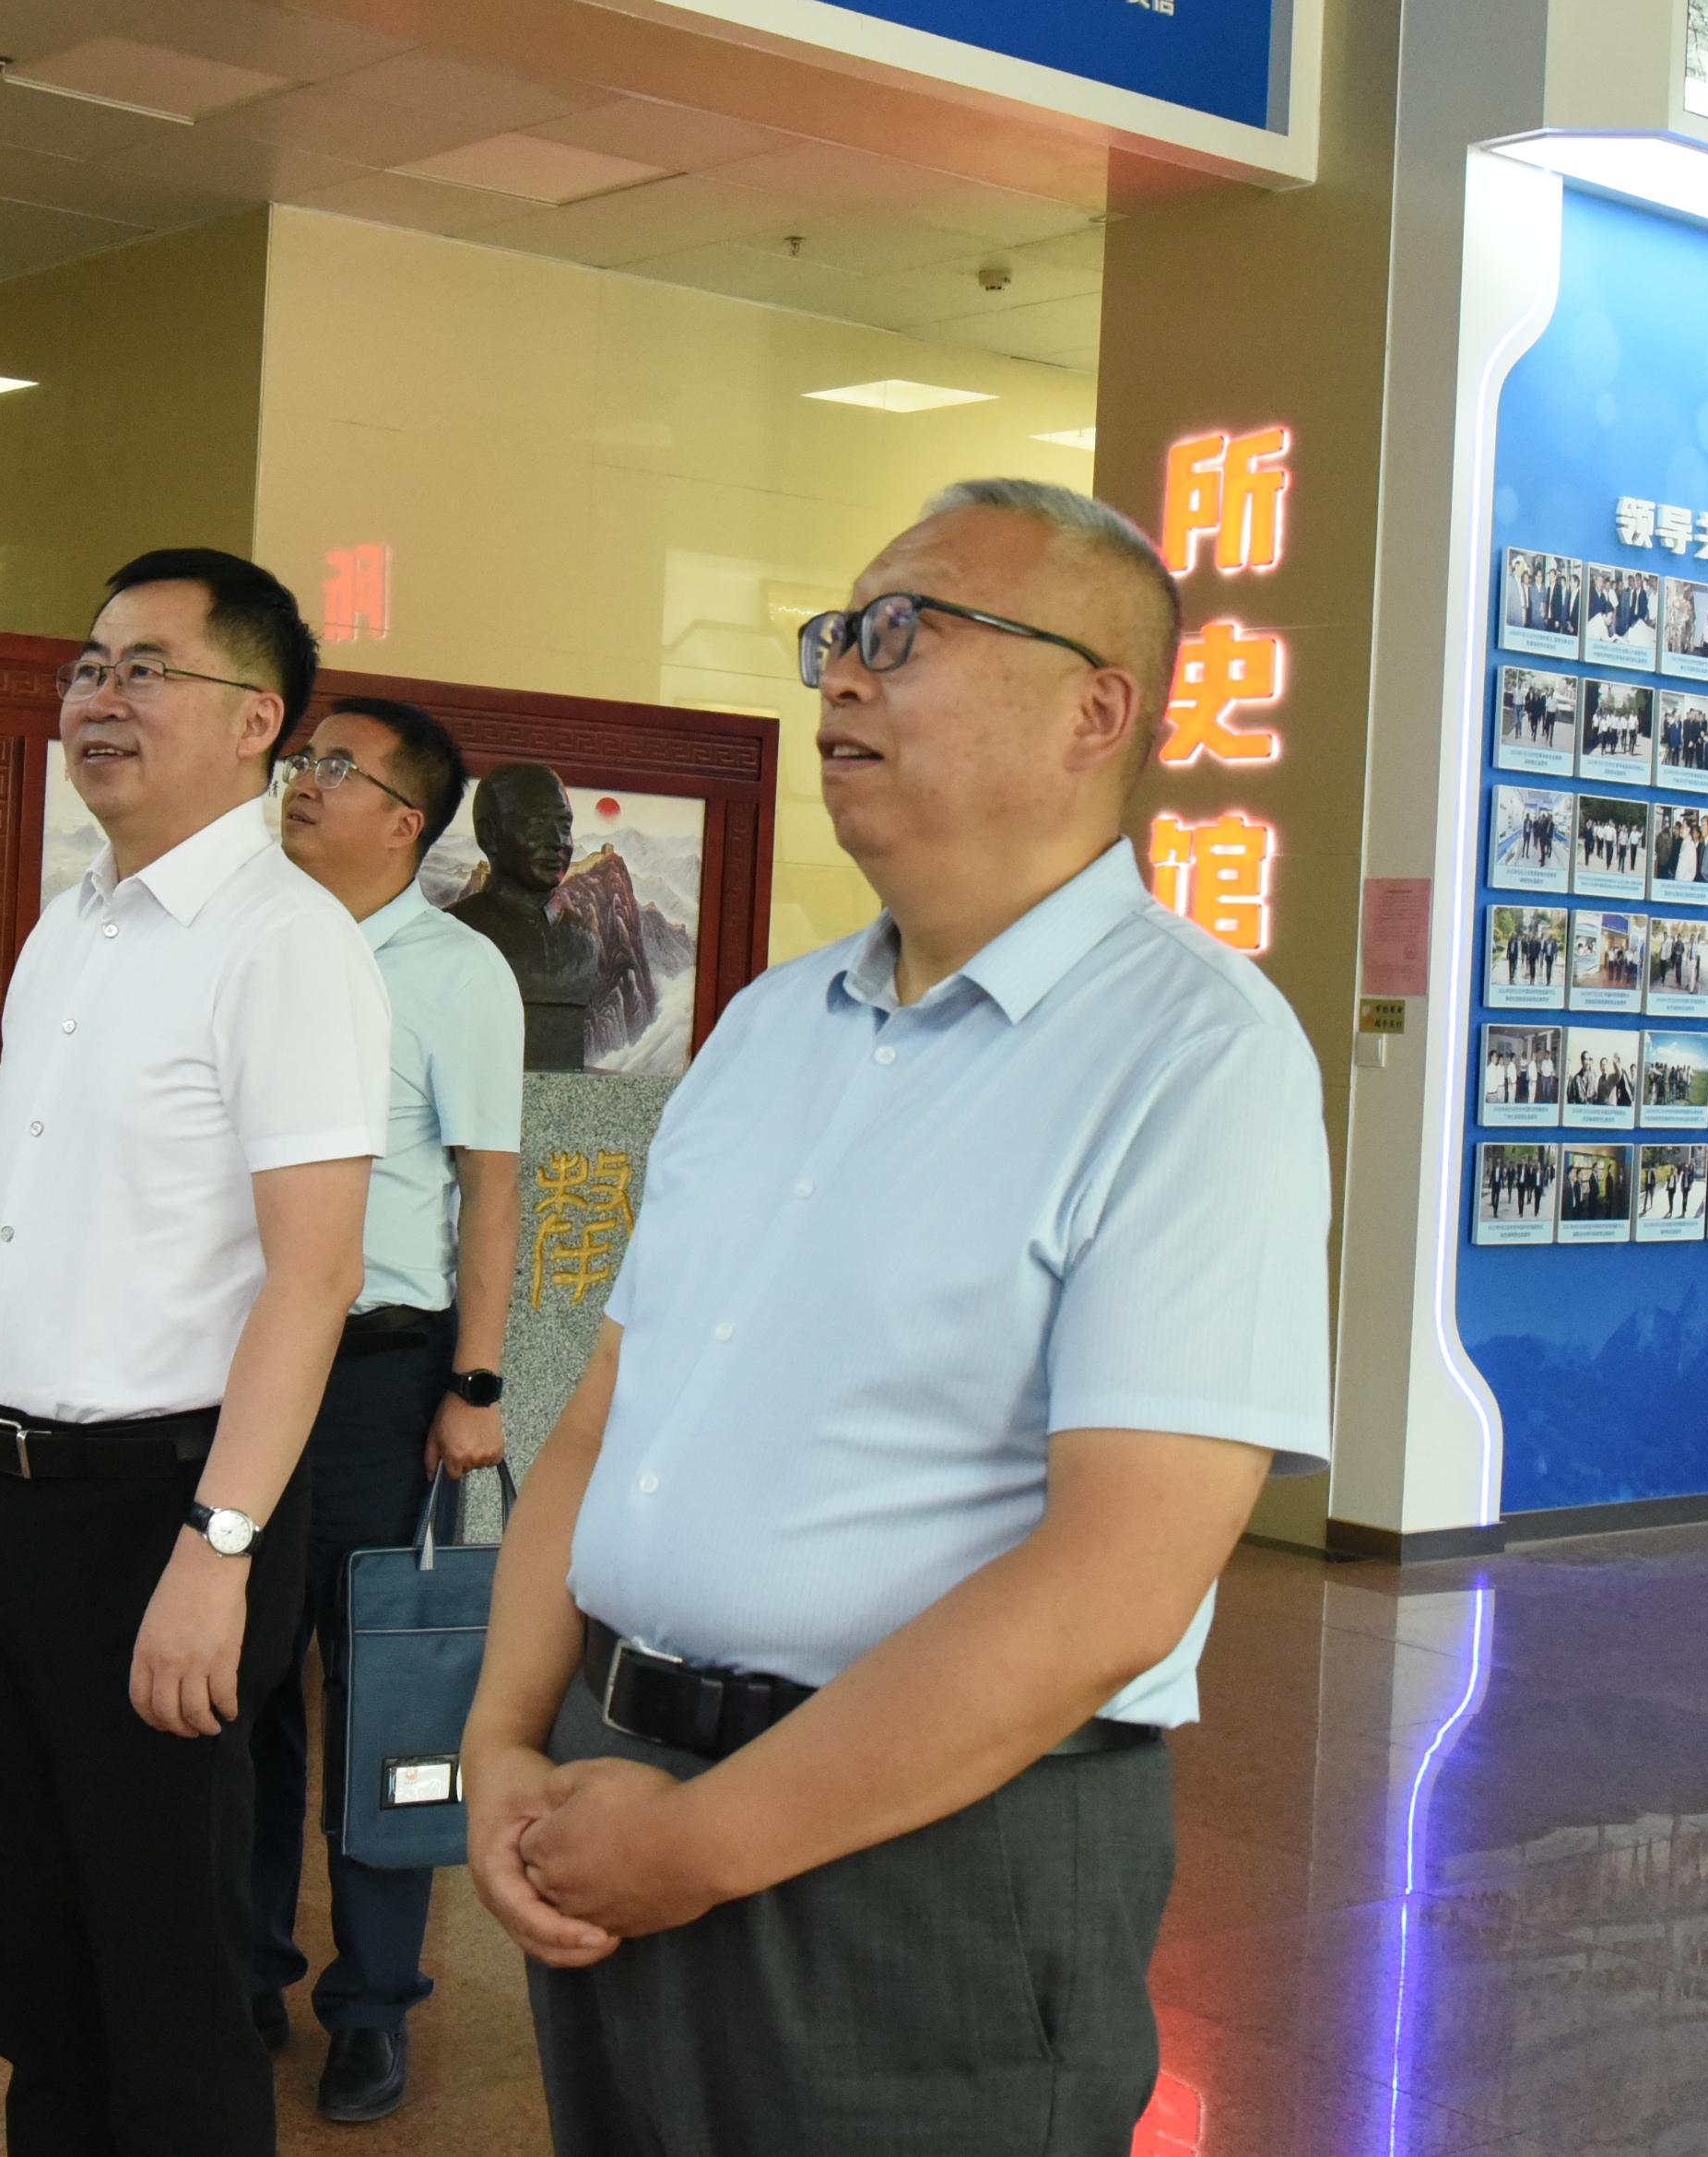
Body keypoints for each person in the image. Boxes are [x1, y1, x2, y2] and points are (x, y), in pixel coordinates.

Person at [459, 479, 1332, 2152]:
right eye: (838, 636)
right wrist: (502, 1739)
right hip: (607, 1783)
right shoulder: (768, 1025)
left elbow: (1116, 1582)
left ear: (1096, 710)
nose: (842, 674)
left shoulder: (1194, 1057)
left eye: (905, 631)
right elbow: (602, 1418)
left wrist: (705, 1842)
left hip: (927, 1852)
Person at [0, 547, 392, 2157]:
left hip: (175, 1502)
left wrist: (220, 1547)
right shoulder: (72, 926)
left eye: (146, 670)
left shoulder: (285, 943)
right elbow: (36, 1230)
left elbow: (314, 1276)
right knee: (40, 1965)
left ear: (258, 719)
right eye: (89, 665)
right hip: (29, 1488)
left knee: (171, 1978)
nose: (98, 699)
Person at [253, 696, 525, 2124]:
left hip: (379, 1374)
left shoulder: (456, 971)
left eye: (333, 767)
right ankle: (246, 1969)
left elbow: (492, 1187)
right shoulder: (255, 939)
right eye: (301, 760)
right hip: (243, 1367)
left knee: (381, 1693)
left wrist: (476, 1382)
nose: (301, 781)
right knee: (241, 1678)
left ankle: (372, 2002)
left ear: (405, 820)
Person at [444, 762, 597, 1069]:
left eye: (564, 825)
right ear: (489, 835)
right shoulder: (450, 934)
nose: (558, 841)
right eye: (537, 823)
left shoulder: (585, 941)